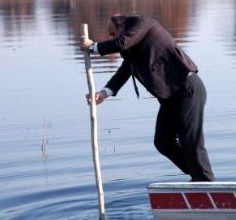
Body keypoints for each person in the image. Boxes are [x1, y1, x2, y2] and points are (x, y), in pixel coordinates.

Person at [80, 14, 214, 182]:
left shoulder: (143, 23)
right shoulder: (132, 50)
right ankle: (198, 176)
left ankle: (206, 182)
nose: (112, 38)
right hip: (169, 97)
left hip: (187, 89)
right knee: (163, 142)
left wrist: (94, 47)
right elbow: (124, 72)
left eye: (113, 33)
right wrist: (103, 94)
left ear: (122, 26)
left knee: (191, 141)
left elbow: (122, 42)